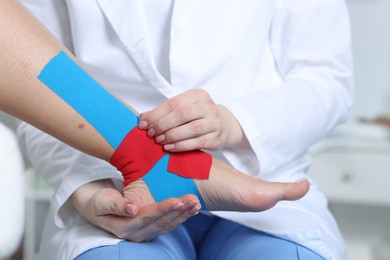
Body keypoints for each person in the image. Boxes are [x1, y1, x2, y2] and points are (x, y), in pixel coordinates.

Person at [11, 0, 353, 259]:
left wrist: (233, 123)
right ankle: (164, 170)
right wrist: (85, 189)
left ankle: (172, 169)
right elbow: (31, 87)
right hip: (116, 186)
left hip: (261, 176)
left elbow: (326, 79)